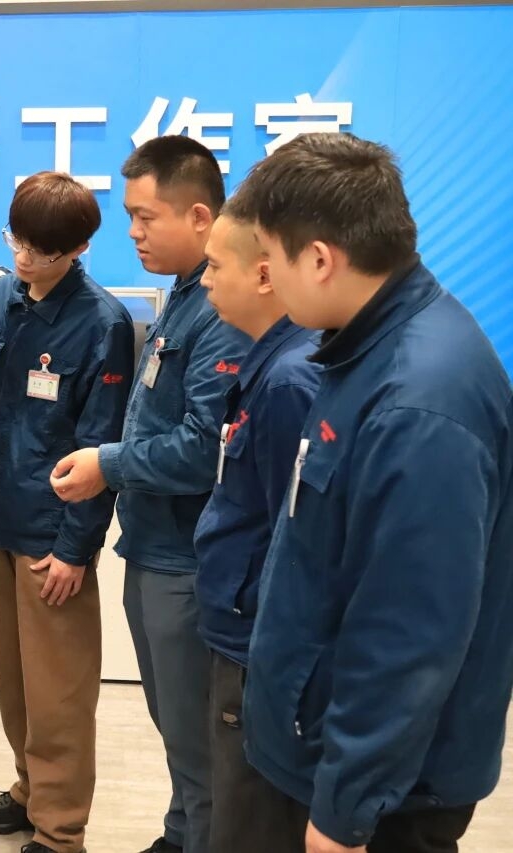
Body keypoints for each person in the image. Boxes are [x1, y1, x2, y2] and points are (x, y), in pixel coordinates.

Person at [231, 132, 513, 853]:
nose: (268, 277)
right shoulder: (362, 349)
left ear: (320, 259)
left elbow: (408, 631)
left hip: (384, 793)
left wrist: (345, 809)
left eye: (272, 257)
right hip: (320, 745)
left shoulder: (420, 403)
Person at [49, 136, 251, 853]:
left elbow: (202, 448)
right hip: (155, 545)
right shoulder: (187, 296)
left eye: (145, 217)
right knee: (176, 724)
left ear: (199, 216)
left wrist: (107, 464)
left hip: (187, 558)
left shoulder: (221, 310)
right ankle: (179, 833)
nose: (132, 233)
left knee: (198, 736)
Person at [0, 172, 132, 853]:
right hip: (0, 518)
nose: (26, 259)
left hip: (53, 536)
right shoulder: (2, 296)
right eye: (18, 242)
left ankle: (60, 831)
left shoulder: (103, 323)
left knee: (59, 692)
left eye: (44, 251)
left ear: (80, 248)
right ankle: (29, 790)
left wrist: (74, 547)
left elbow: (101, 445)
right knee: (14, 677)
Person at [189, 198, 319, 852]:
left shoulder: (289, 381)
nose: (206, 280)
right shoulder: (269, 362)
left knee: (247, 824)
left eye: (215, 266)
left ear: (264, 275)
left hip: (254, 642)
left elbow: (288, 534)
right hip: (238, 626)